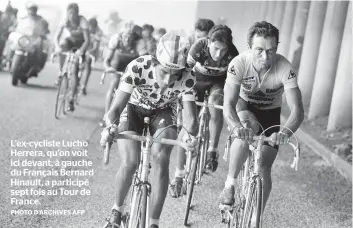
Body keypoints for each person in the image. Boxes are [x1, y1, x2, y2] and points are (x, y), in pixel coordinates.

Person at [100, 32, 198, 228]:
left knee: (161, 159)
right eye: (164, 72)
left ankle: (154, 222)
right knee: (130, 162)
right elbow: (116, 108)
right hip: (133, 107)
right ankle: (117, 211)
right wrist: (110, 127)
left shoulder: (188, 76)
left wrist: (189, 136)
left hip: (163, 111)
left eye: (175, 74)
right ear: (154, 62)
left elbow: (190, 118)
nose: (169, 79)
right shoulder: (138, 66)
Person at [219, 21, 304, 221]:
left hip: (270, 112)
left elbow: (298, 111)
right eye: (259, 50)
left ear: (276, 48)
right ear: (250, 48)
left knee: (265, 165)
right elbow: (228, 105)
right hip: (244, 106)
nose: (265, 57)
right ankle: (229, 186)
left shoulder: (285, 68)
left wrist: (284, 133)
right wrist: (236, 127)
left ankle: (255, 217)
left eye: (271, 50)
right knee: (247, 128)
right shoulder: (238, 64)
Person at [169, 24, 239, 197]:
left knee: (216, 104)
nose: (218, 54)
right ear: (208, 42)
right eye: (215, 48)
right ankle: (178, 174)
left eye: (223, 51)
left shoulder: (233, 54)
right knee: (188, 127)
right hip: (195, 82)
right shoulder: (198, 46)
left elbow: (234, 83)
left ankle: (212, 151)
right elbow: (184, 73)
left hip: (217, 85)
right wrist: (178, 92)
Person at [100, 26, 143, 127]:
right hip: (118, 62)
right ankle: (106, 116)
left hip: (133, 62)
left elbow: (144, 60)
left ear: (134, 38)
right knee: (114, 82)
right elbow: (107, 60)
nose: (127, 40)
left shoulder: (139, 42)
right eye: (125, 37)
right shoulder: (115, 39)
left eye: (130, 38)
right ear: (121, 36)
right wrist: (108, 68)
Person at [54, 2, 90, 111]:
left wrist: (81, 51)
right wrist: (57, 47)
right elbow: (56, 36)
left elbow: (87, 40)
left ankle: (71, 100)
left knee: (74, 70)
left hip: (81, 43)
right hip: (70, 41)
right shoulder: (65, 20)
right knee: (62, 45)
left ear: (77, 14)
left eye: (73, 14)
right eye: (69, 14)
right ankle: (61, 71)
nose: (71, 17)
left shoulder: (82, 21)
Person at [81, 17, 103, 95]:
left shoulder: (98, 32)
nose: (90, 29)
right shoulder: (84, 27)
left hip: (92, 50)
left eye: (92, 28)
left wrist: (88, 52)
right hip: (83, 47)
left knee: (88, 65)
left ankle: (84, 85)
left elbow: (95, 47)